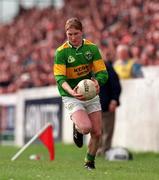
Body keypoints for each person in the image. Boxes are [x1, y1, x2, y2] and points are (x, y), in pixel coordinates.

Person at [53, 17, 108, 170]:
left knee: (97, 132)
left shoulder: (92, 49)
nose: (73, 37)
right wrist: (71, 91)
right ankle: (77, 128)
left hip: (89, 93)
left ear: (82, 32)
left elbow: (102, 72)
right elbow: (59, 78)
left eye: (76, 34)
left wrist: (97, 82)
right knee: (86, 128)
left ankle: (89, 162)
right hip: (71, 95)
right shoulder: (61, 52)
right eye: (69, 34)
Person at [96, 49, 122, 156]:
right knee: (98, 130)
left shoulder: (108, 68)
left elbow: (116, 86)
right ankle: (98, 149)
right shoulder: (92, 70)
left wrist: (114, 100)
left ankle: (105, 150)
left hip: (107, 105)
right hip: (96, 106)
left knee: (107, 130)